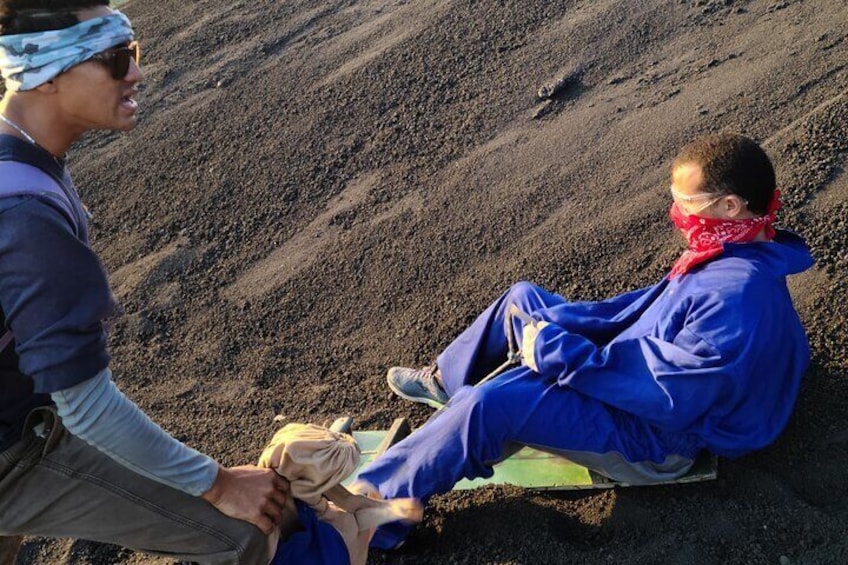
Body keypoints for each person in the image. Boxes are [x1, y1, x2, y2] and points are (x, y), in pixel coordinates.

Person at [0, 2, 350, 563]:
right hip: (13, 450)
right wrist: (217, 484)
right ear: (47, 75)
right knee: (243, 535)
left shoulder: (14, 157)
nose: (136, 72)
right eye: (116, 59)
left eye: (131, 52)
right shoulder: (25, 217)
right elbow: (87, 409)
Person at [355, 132, 814, 549]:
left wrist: (558, 352)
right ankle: (447, 384)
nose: (678, 215)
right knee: (523, 299)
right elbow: (642, 317)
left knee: (494, 402)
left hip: (658, 437)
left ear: (730, 205)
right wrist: (562, 325)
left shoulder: (737, 297)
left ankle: (379, 514)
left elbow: (668, 396)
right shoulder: (733, 248)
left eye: (685, 203)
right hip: (634, 377)